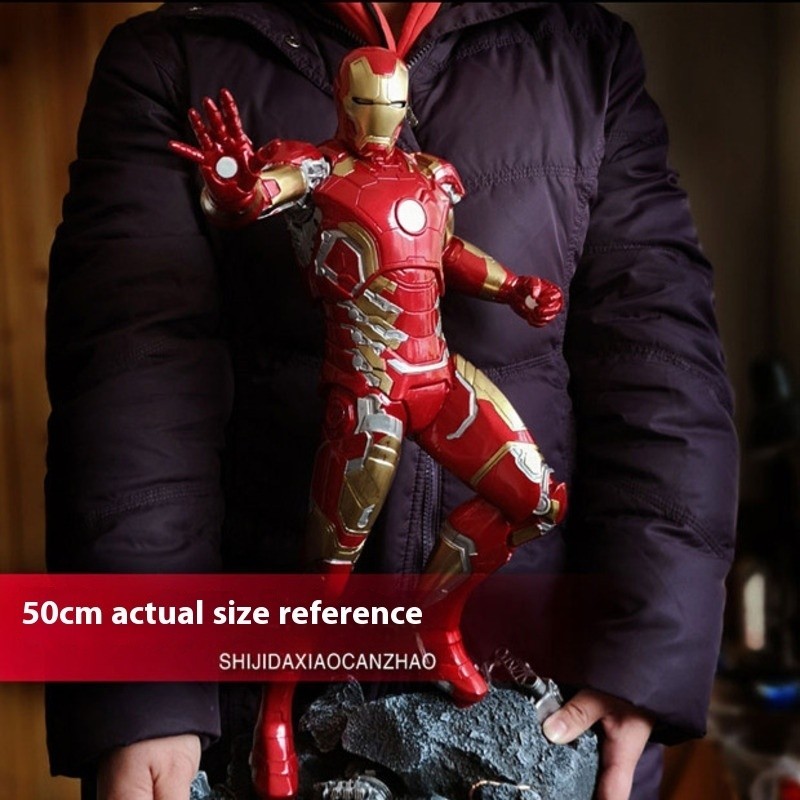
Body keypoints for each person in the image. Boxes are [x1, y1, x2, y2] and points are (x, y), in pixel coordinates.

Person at [44, 3, 739, 800]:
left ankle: (433, 625)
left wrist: (645, 653)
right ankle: (276, 714)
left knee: (534, 500)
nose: (381, 118)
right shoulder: (220, 92)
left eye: (392, 105)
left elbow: (659, 357)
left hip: (524, 654)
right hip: (356, 417)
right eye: (367, 104)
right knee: (324, 581)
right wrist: (140, 688)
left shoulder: (574, 58)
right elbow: (130, 375)